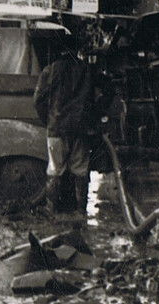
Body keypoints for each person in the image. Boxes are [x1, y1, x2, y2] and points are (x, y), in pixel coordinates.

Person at [33, 31, 113, 213]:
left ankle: (51, 208)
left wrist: (49, 119)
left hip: (56, 128)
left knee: (55, 169)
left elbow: (38, 101)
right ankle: (80, 210)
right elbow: (109, 88)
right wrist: (96, 111)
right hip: (81, 128)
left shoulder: (50, 70)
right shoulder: (87, 69)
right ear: (76, 49)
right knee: (80, 170)